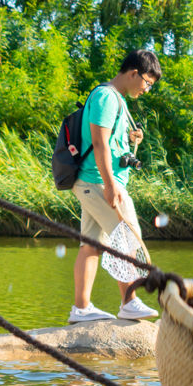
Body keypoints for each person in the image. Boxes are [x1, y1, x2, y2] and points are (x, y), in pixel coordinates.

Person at [69, 48, 162, 324]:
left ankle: (81, 309)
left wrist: (130, 137)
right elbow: (98, 144)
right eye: (147, 82)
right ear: (134, 73)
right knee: (127, 236)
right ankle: (129, 302)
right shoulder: (106, 97)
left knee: (92, 245)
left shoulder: (114, 99)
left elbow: (108, 142)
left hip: (91, 182)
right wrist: (111, 185)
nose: (146, 90)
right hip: (98, 182)